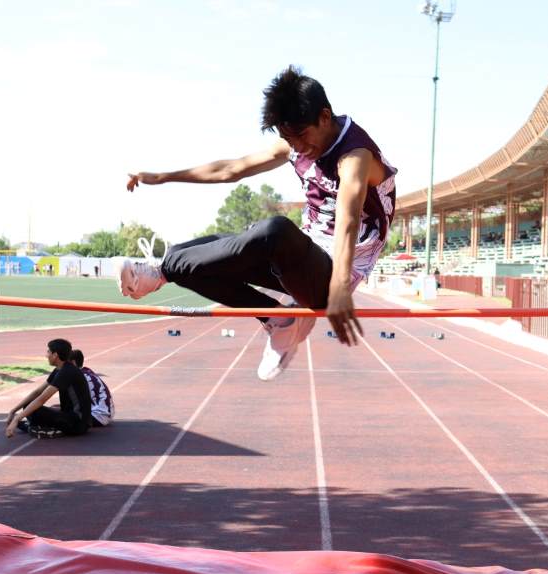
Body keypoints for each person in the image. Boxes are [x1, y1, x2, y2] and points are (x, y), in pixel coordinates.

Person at [122, 66, 397, 380]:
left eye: (301, 137)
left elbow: (348, 219)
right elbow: (232, 169)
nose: (296, 147)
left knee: (274, 231)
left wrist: (338, 292)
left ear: (324, 116)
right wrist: (164, 177)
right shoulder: (296, 141)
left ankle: (163, 273)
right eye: (287, 139)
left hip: (336, 270)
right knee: (191, 263)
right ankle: (278, 321)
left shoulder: (354, 156)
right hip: (299, 259)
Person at [5, 339, 91, 439]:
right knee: (28, 405)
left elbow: (42, 399)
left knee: (35, 410)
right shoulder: (60, 369)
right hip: (69, 416)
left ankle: (41, 428)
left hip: (78, 423)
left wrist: (16, 419)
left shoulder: (67, 372)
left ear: (55, 355)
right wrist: (13, 411)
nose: (46, 355)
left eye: (48, 352)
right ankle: (39, 427)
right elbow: (37, 392)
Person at [69, 349, 113, 427]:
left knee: (59, 415)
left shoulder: (78, 377)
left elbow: (76, 404)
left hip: (97, 416)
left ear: (73, 363)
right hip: (105, 414)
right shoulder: (87, 373)